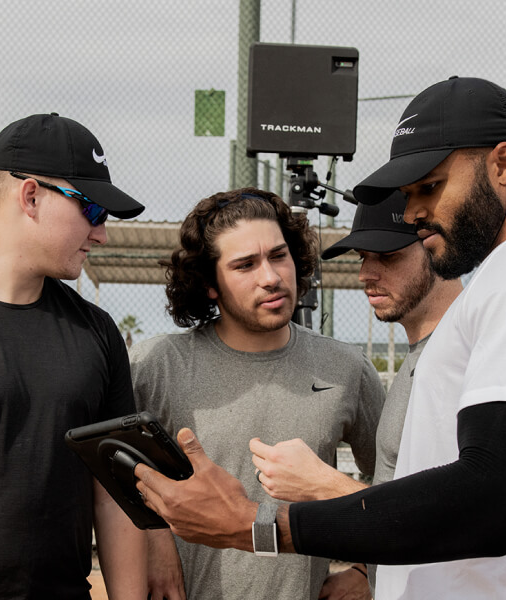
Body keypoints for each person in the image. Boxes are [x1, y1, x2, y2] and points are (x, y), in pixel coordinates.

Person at [135, 76, 506, 599]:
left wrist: (258, 524)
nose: (411, 214)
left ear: (502, 164)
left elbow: (489, 498)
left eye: (429, 186)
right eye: (408, 195)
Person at [129, 187, 385, 600]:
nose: (271, 277)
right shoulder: (154, 366)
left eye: (278, 256)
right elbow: (104, 480)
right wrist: (154, 537)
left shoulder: (346, 368)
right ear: (210, 284)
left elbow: (404, 484)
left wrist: (363, 570)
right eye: (245, 265)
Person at [0, 113, 148, 599]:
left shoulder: (97, 332)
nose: (102, 233)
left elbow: (114, 491)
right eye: (92, 211)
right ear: (31, 197)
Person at [250, 192, 462, 599]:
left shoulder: (462, 355)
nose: (366, 273)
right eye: (363, 256)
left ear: (435, 244)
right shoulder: (423, 355)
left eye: (388, 256)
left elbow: (458, 519)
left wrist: (324, 484)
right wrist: (366, 571)